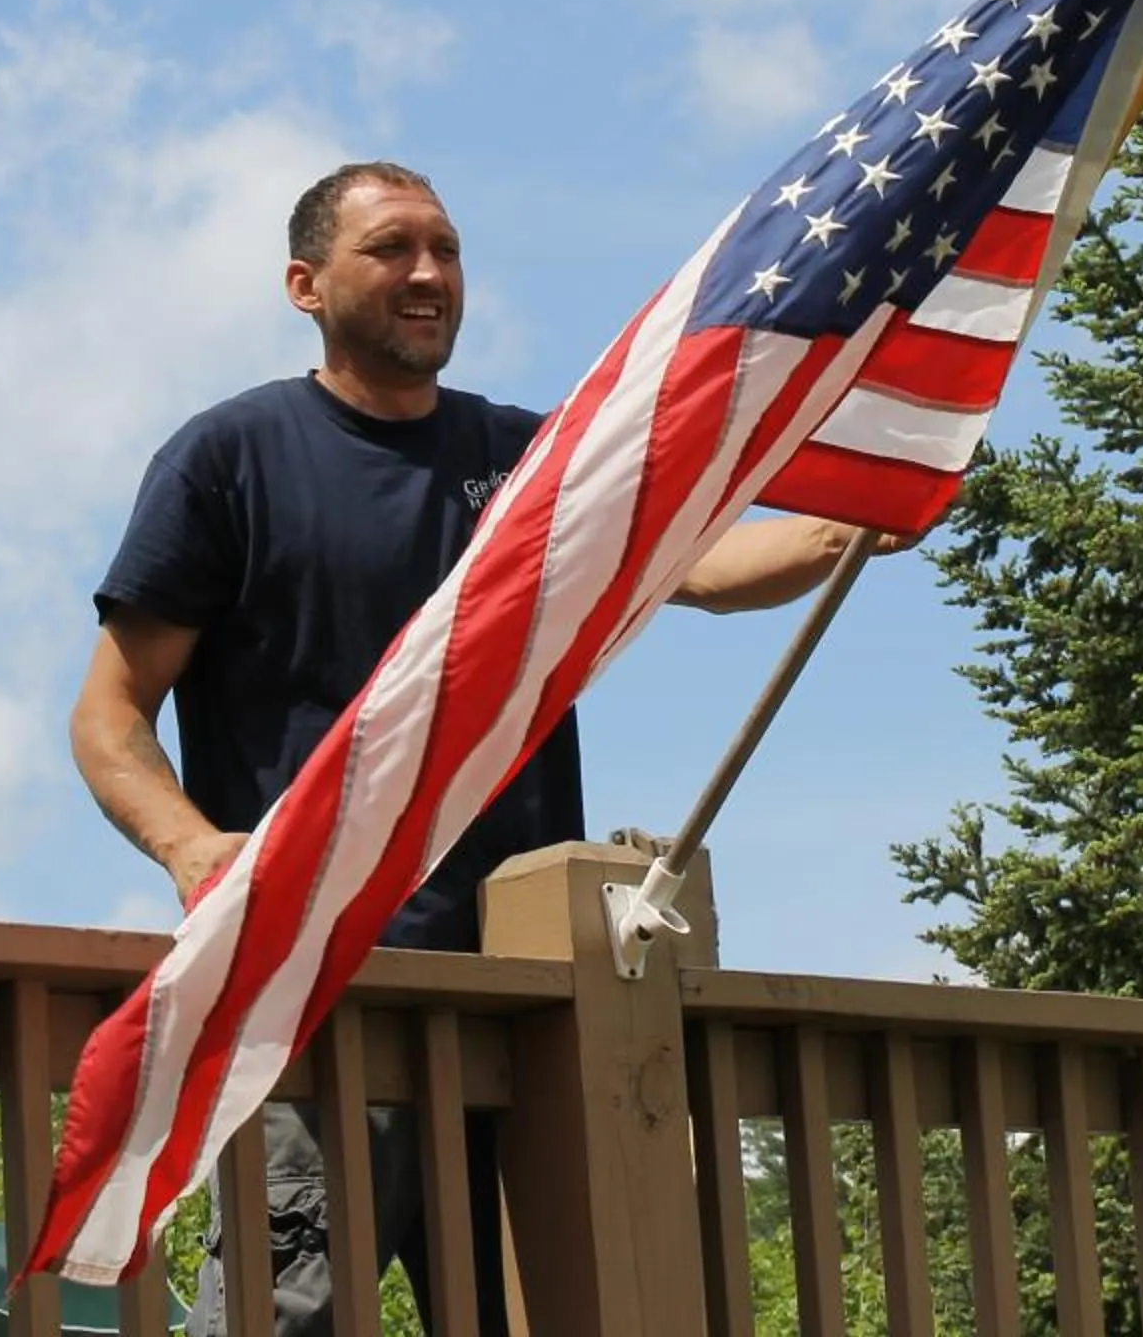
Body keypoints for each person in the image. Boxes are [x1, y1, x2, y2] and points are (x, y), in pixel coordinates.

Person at [71, 160, 898, 1337]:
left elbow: (703, 565)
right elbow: (108, 714)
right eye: (391, 248)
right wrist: (193, 847)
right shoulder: (231, 458)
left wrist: (853, 521)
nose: (429, 273)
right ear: (305, 284)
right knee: (290, 1312)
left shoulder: (531, 459)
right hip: (332, 988)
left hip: (537, 1001)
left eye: (446, 249)